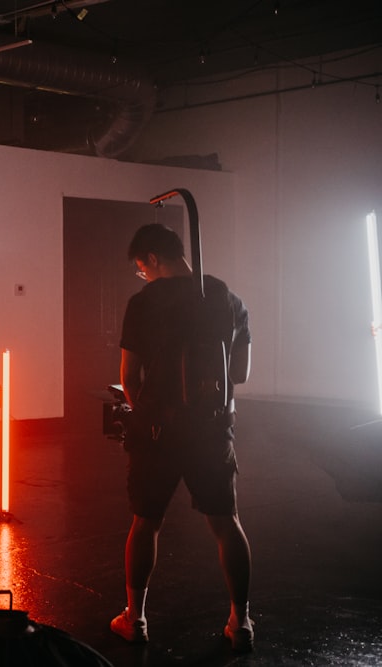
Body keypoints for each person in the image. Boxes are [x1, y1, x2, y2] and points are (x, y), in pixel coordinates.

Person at [110, 224, 254, 652]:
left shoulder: (144, 303)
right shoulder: (228, 299)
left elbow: (128, 377)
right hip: (212, 429)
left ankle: (134, 619)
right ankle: (240, 621)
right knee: (226, 523)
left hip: (158, 431)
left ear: (153, 259)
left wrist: (145, 412)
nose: (143, 276)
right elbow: (241, 374)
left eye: (142, 268)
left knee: (145, 523)